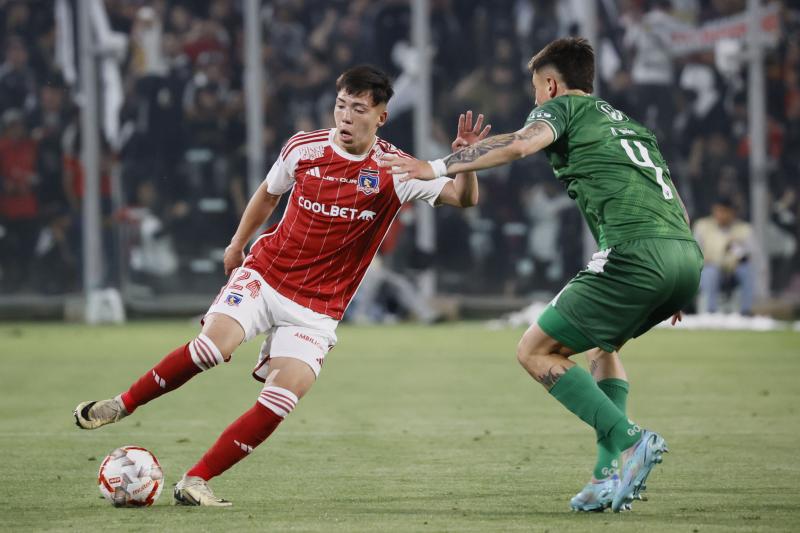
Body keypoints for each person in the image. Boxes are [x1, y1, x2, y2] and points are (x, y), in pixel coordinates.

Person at [73, 65, 490, 506]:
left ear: (381, 118)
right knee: (211, 348)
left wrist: (468, 160)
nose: (346, 117)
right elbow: (269, 194)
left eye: (359, 109)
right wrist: (237, 244)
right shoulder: (303, 148)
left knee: (281, 398)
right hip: (266, 276)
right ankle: (122, 404)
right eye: (341, 106)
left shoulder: (397, 171)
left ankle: (196, 480)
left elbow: (464, 198)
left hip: (318, 309)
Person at [381, 38, 703, 513]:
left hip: (636, 254)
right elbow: (671, 195)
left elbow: (519, 145)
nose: (535, 101)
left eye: (536, 91)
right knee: (603, 346)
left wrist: (432, 166)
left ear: (551, 83)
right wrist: (674, 279)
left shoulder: (564, 109)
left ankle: (632, 442)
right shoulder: (632, 127)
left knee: (533, 350)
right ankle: (603, 478)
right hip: (683, 255)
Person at [693, 197, 754, 315]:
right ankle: (711, 311)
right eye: (718, 211)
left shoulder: (744, 229)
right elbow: (694, 252)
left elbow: (751, 255)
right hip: (709, 268)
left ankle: (746, 311)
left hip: (734, 271)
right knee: (711, 271)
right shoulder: (702, 226)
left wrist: (739, 253)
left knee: (747, 270)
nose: (721, 215)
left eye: (724, 211)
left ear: (732, 212)